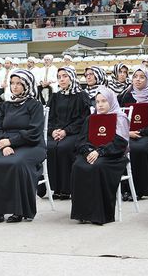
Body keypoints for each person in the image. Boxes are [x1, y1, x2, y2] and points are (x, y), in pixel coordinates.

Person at [0, 69, 45, 223]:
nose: (15, 86)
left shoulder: (35, 105)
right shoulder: (5, 105)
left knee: (16, 163)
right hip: (5, 144)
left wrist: (11, 142)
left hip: (31, 144)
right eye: (12, 83)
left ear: (27, 85)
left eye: (19, 83)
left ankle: (19, 210)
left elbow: (34, 132)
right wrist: (4, 145)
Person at [70, 87, 130, 225]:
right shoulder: (91, 118)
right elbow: (81, 140)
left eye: (104, 101)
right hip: (91, 153)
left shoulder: (120, 118)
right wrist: (88, 151)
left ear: (111, 101)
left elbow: (120, 143)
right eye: (97, 102)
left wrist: (100, 152)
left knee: (97, 166)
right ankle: (83, 213)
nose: (100, 105)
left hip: (113, 156)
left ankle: (100, 214)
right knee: (78, 165)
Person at [44, 67, 91, 199]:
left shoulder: (81, 95)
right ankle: (53, 187)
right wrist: (53, 131)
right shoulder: (55, 96)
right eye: (59, 77)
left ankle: (66, 188)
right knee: (50, 147)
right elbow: (49, 117)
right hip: (56, 132)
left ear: (71, 77)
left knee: (64, 148)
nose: (62, 79)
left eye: (65, 76)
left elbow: (83, 119)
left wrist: (66, 131)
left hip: (75, 132)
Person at [117, 66, 148, 200]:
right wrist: (128, 132)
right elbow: (120, 118)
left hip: (147, 135)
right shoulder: (126, 96)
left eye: (142, 77)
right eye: (135, 77)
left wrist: (141, 132)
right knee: (121, 146)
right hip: (128, 133)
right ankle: (124, 188)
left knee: (139, 149)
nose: (138, 80)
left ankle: (140, 189)